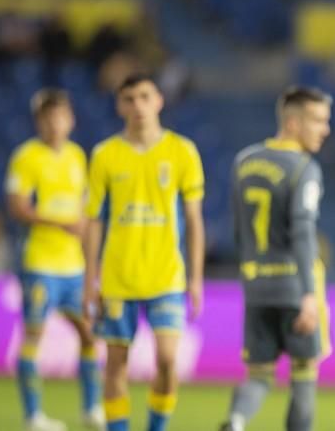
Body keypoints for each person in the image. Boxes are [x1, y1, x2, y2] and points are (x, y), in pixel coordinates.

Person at [82, 74, 205, 431]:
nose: (138, 105)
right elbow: (93, 221)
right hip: (119, 277)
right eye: (129, 98)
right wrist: (92, 277)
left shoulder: (182, 151)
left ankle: (156, 427)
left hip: (166, 276)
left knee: (167, 360)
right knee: (116, 362)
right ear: (120, 105)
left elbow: (194, 221)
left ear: (159, 101)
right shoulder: (105, 154)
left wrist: (196, 278)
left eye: (145, 96)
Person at [220, 86, 332, 431]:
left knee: (258, 374)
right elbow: (302, 232)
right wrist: (309, 295)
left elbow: (239, 230)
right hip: (296, 287)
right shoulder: (304, 169)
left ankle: (237, 421)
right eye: (317, 121)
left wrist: (252, 274)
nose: (325, 129)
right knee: (303, 376)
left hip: (257, 285)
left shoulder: (244, 161)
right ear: (293, 123)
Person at [5, 88, 104, 431]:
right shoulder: (26, 156)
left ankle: (91, 409)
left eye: (60, 116)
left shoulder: (78, 156)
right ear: (38, 122)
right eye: (48, 118)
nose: (55, 124)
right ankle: (33, 416)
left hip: (73, 267)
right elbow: (17, 206)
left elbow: (85, 209)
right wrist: (60, 223)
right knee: (34, 335)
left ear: (71, 119)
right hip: (41, 263)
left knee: (90, 335)